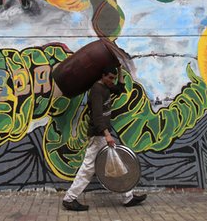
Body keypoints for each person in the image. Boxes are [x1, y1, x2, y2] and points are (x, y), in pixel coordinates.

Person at [62, 65, 147, 211]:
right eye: (110, 78)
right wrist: (107, 135)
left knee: (115, 164)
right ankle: (69, 198)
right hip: (98, 135)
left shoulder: (106, 86)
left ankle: (128, 196)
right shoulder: (97, 90)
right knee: (88, 168)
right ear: (102, 76)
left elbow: (120, 89)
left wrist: (119, 70)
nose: (112, 81)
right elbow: (97, 116)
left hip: (102, 135)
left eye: (113, 78)